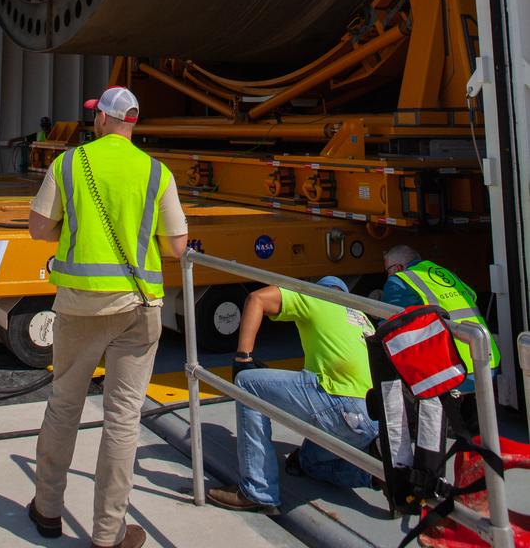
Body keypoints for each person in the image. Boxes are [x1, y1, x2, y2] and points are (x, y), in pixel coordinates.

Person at [27, 86, 188, 548]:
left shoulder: (69, 164)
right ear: (132, 123)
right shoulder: (157, 172)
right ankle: (107, 532)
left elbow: (39, 228)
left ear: (102, 120)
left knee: (64, 407)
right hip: (138, 309)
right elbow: (177, 245)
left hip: (79, 306)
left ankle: (48, 510)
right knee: (122, 419)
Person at [208, 276, 378, 517]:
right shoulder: (363, 319)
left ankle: (258, 491)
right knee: (307, 461)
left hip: (340, 403)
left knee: (247, 384)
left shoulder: (318, 296)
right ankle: (374, 475)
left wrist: (243, 357)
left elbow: (256, 299)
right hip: (372, 420)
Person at [382, 245, 500, 399]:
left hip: (454, 370)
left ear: (398, 267)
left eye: (388, 270)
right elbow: (472, 295)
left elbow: (387, 328)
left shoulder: (399, 280)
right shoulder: (443, 273)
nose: (388, 276)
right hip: (488, 362)